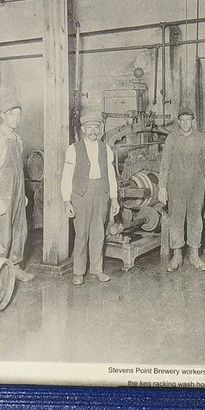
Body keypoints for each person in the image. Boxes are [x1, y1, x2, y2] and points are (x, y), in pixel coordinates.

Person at [61, 111, 120, 286]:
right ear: (83, 129)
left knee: (99, 233)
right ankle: (78, 272)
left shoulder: (106, 148)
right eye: (89, 128)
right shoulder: (73, 149)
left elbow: (111, 175)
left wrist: (114, 198)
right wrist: (66, 200)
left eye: (96, 127)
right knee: (81, 234)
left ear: (100, 129)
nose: (93, 131)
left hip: (101, 194)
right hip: (81, 195)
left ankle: (97, 269)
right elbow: (66, 176)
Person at [0, 98, 35, 281]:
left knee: (19, 232)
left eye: (18, 114)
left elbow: (18, 171)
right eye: (11, 114)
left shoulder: (17, 139)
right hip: (2, 196)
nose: (15, 118)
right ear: (2, 115)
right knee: (1, 237)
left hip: (17, 195)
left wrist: (22, 195)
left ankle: (15, 267)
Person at [158, 107, 205, 272]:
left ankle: (194, 255)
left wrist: (202, 176)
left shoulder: (202, 139)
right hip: (175, 186)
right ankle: (177, 256)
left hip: (196, 187)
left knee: (195, 220)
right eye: (182, 120)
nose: (185, 123)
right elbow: (165, 164)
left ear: (193, 121)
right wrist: (162, 187)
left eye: (188, 120)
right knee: (176, 220)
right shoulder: (171, 138)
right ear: (179, 121)